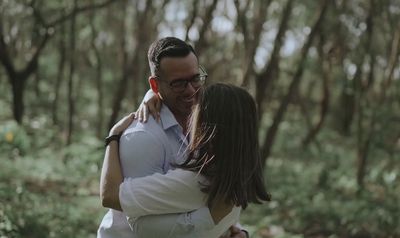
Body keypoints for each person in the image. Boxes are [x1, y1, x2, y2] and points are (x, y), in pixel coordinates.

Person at [97, 37, 252, 237]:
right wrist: (113, 138)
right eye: (178, 83)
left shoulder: (208, 121)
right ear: (155, 85)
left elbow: (210, 202)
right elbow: (143, 226)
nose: (191, 90)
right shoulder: (142, 138)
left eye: (195, 78)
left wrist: (231, 230)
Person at [102, 83, 270, 237]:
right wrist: (154, 95)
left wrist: (113, 137)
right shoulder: (237, 178)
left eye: (196, 110)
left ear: (208, 127)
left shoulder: (196, 183)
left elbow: (111, 197)